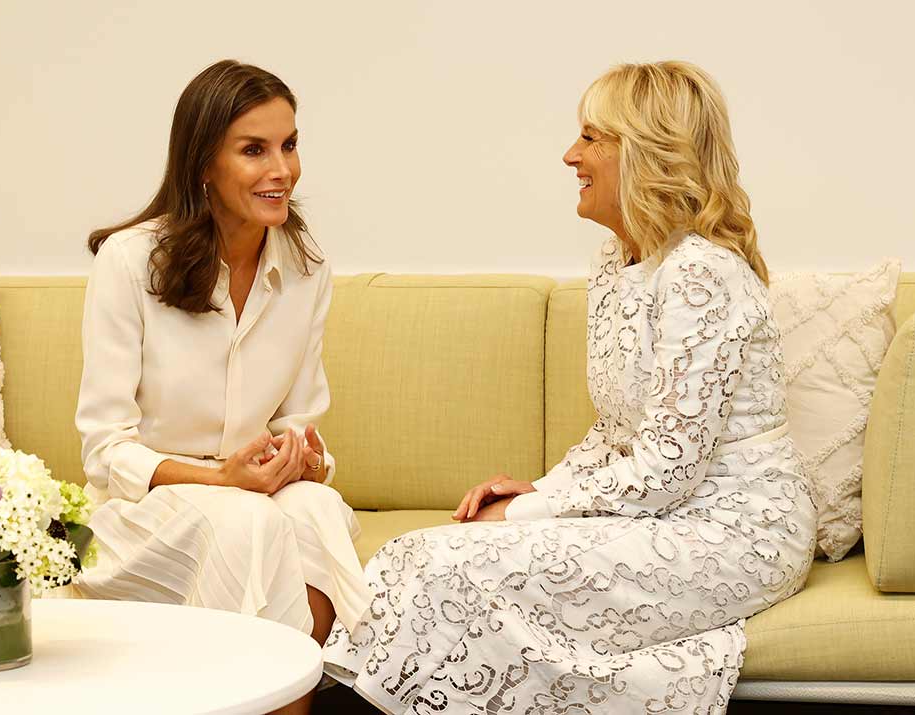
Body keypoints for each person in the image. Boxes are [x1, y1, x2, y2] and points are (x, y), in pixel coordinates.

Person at [322, 61, 816, 714]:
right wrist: (540, 490)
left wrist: (528, 513)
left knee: (447, 571)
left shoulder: (703, 275)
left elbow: (667, 469)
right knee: (408, 554)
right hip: (672, 509)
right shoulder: (615, 262)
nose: (569, 155)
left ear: (645, 152)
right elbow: (618, 432)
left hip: (734, 530)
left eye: (590, 138)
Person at [72, 60, 370, 713]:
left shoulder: (305, 266)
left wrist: (306, 457)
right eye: (254, 150)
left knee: (315, 510)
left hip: (252, 498)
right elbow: (105, 449)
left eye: (289, 145)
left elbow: (301, 417)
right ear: (203, 162)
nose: (282, 169)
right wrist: (221, 481)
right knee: (249, 519)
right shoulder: (130, 260)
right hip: (142, 515)